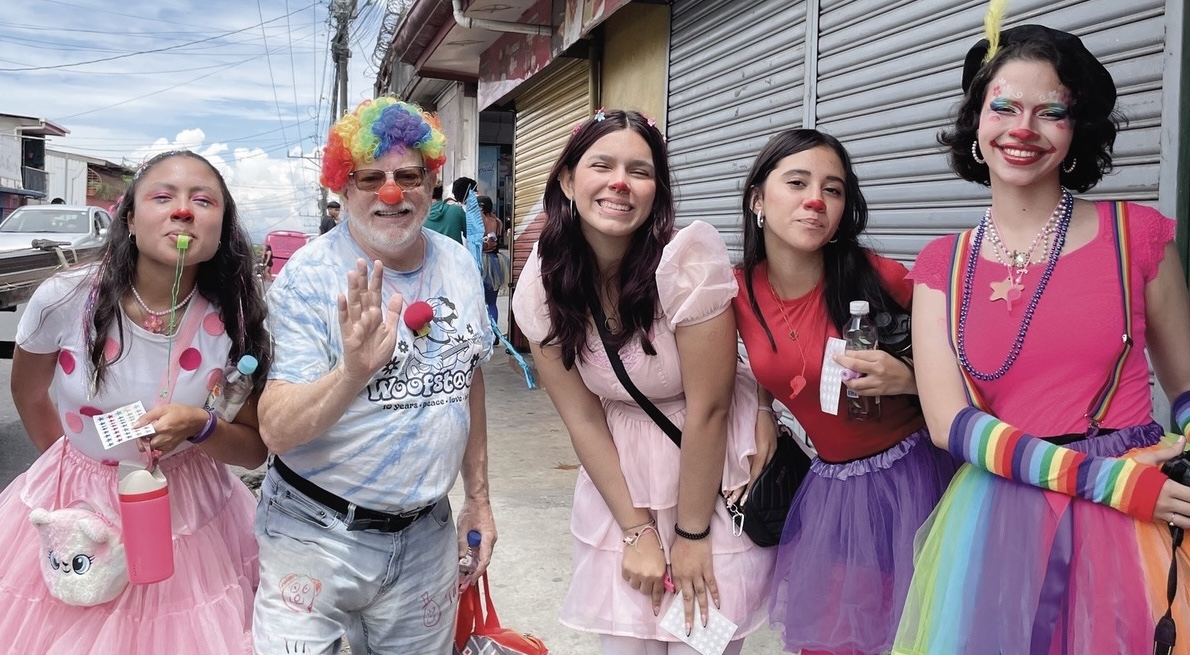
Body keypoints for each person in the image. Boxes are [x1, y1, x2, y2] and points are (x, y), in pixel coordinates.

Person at [891, 20, 1190, 655]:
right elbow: (951, 423)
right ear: (977, 123)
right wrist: (1113, 484)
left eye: (1050, 111)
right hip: (1004, 521)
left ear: (1075, 131)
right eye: (1003, 106)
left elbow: (1187, 385)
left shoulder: (1139, 236)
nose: (1022, 129)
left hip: (1136, 525)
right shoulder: (942, 264)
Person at [511, 109, 774, 655]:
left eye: (640, 170)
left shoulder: (688, 262)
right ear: (567, 179)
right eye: (601, 165)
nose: (619, 184)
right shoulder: (545, 279)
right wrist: (637, 532)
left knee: (700, 644)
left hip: (709, 480)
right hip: (623, 486)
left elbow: (710, 409)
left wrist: (693, 536)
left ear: (658, 188)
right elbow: (581, 416)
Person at [0, 149, 271, 653]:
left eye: (203, 200)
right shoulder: (63, 298)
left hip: (188, 512)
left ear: (221, 226)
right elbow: (30, 391)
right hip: (74, 495)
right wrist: (79, 467)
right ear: (129, 217)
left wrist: (201, 427)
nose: (183, 211)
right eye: (163, 196)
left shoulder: (235, 319)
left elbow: (255, 450)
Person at [253, 97, 496, 654]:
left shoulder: (458, 263)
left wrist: (478, 498)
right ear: (344, 189)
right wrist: (353, 373)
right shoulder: (308, 281)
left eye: (408, 176)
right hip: (312, 537)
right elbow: (275, 431)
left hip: (425, 539)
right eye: (371, 178)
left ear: (431, 185)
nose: (392, 193)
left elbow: (470, 379)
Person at [732, 128, 957, 655]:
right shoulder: (737, 290)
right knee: (836, 638)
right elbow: (754, 366)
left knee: (916, 630)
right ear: (757, 199)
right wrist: (765, 408)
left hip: (915, 477)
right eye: (797, 182)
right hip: (832, 486)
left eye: (832, 189)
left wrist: (908, 378)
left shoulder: (879, 276)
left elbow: (973, 359)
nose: (816, 200)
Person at [478, 194, 510, 327]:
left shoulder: (479, 219)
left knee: (480, 301)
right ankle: (495, 334)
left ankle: (486, 334)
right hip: (495, 261)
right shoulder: (498, 222)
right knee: (492, 302)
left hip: (482, 260)